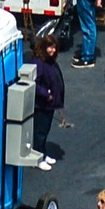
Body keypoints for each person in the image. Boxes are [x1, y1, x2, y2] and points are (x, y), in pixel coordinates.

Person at [32, 34, 65, 171]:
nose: (52, 50)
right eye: (50, 47)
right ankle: (38, 157)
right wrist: (47, 95)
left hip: (49, 104)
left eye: (54, 47)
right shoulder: (39, 63)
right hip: (42, 104)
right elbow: (35, 83)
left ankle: (43, 153)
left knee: (45, 131)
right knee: (40, 131)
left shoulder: (50, 62)